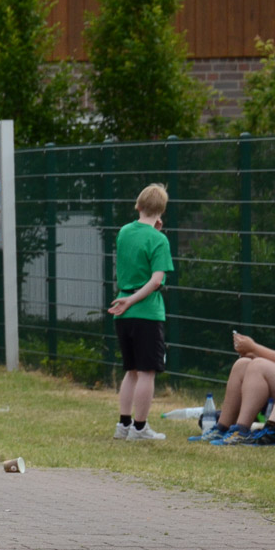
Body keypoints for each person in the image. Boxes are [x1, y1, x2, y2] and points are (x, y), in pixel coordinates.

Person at [109, 183, 174, 441]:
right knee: (147, 372)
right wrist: (134, 300)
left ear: (138, 206)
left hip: (122, 310)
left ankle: (123, 424)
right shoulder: (159, 240)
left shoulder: (124, 232)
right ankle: (139, 427)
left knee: (131, 370)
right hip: (146, 311)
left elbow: (136, 253)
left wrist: (126, 301)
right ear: (161, 212)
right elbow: (156, 280)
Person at [191, 331, 275, 444]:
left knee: (258, 366)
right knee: (242, 364)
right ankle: (222, 427)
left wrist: (254, 348)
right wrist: (254, 354)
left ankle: (242, 430)